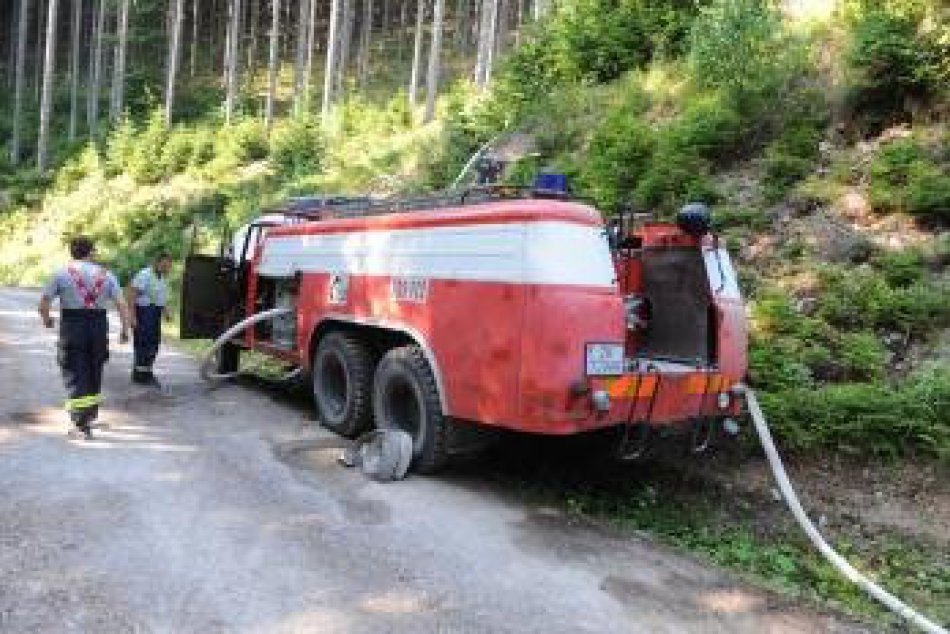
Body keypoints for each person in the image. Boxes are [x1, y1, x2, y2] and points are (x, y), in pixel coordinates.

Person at [38, 236, 130, 439]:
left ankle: (81, 425)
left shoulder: (61, 274)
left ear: (72, 252)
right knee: (94, 367)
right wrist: (125, 330)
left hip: (73, 326)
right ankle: (89, 416)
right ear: (92, 252)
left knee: (74, 370)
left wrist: (47, 320)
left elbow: (44, 302)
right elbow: (122, 304)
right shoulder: (107, 275)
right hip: (98, 326)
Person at [128, 253, 172, 387]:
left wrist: (166, 312)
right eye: (164, 265)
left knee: (153, 343)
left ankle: (147, 373)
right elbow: (133, 295)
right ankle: (140, 376)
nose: (167, 268)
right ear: (157, 263)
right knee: (143, 344)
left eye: (169, 265)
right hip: (144, 313)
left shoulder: (162, 278)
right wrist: (133, 316)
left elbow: (160, 297)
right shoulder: (145, 275)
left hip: (155, 313)